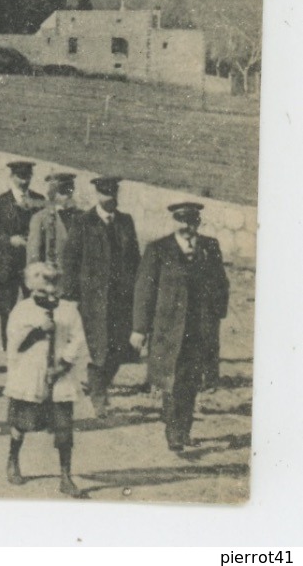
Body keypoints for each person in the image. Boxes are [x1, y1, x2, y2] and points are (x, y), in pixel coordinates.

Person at [132, 201, 230, 452]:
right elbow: (145, 291)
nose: (187, 226)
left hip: (199, 329)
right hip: (168, 329)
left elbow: (221, 283)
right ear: (174, 222)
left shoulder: (210, 247)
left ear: (198, 222)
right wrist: (139, 328)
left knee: (192, 380)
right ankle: (174, 433)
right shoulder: (158, 249)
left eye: (192, 221)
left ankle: (184, 430)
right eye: (181, 221)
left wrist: (216, 315)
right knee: (171, 381)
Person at [4, 261, 89, 498]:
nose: (48, 294)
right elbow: (13, 343)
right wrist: (37, 331)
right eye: (42, 290)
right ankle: (13, 459)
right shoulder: (22, 310)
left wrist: (64, 364)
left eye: (53, 288)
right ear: (32, 287)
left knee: (63, 426)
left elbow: (78, 339)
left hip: (59, 375)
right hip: (31, 375)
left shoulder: (68, 310)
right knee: (22, 420)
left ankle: (65, 475)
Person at [59, 176, 140, 418]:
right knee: (100, 348)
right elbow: (71, 259)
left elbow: (135, 258)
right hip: (93, 299)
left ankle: (99, 385)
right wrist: (71, 294)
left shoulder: (125, 222)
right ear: (97, 195)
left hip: (121, 298)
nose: (110, 198)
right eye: (105, 194)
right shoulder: (84, 222)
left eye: (113, 193)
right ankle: (99, 396)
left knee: (118, 348)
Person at [0, 160, 45, 348]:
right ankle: (9, 348)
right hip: (6, 264)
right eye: (20, 177)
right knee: (7, 310)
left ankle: (31, 347)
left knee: (35, 307)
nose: (24, 181)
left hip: (31, 265)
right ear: (12, 177)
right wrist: (9, 240)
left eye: (27, 177)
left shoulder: (38, 201)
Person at [29, 172, 81, 265]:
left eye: (70, 190)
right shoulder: (40, 218)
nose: (67, 195)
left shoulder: (81, 216)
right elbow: (34, 254)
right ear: (52, 193)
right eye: (62, 191)